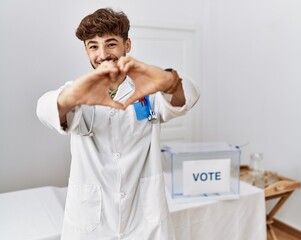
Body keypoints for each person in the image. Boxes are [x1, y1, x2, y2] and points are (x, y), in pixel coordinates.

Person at [36, 8, 200, 240]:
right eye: (93, 46)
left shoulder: (149, 90)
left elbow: (188, 98)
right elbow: (45, 109)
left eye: (111, 44)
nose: (102, 54)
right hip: (92, 223)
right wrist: (70, 97)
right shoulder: (76, 92)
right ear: (86, 50)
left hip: (145, 221)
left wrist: (170, 82)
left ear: (127, 45)